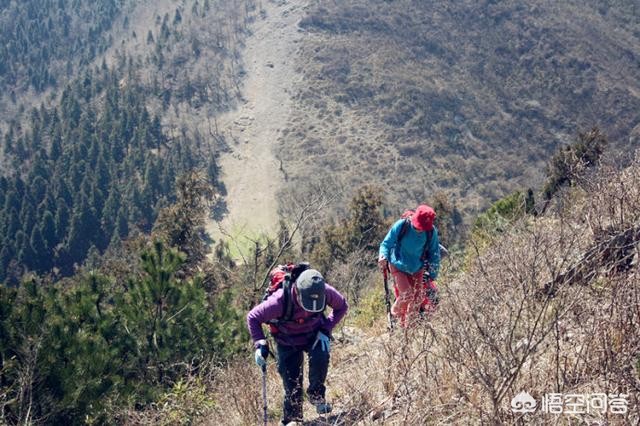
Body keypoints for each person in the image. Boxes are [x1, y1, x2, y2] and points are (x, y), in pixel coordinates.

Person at [247, 268, 348, 425]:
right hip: (287, 340)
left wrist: (325, 328)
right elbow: (253, 317)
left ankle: (316, 396)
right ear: (297, 292)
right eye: (307, 304)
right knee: (292, 382)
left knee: (321, 357)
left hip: (314, 334)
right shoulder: (280, 300)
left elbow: (341, 306)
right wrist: (260, 343)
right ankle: (293, 419)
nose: (310, 308)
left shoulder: (324, 291)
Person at [378, 204, 441, 327]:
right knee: (407, 295)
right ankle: (394, 315)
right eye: (418, 227)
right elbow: (386, 243)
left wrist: (432, 274)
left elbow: (434, 253)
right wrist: (383, 256)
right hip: (398, 265)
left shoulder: (431, 232)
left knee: (417, 300)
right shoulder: (402, 225)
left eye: (422, 228)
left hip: (417, 267)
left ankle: (409, 330)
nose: (419, 230)